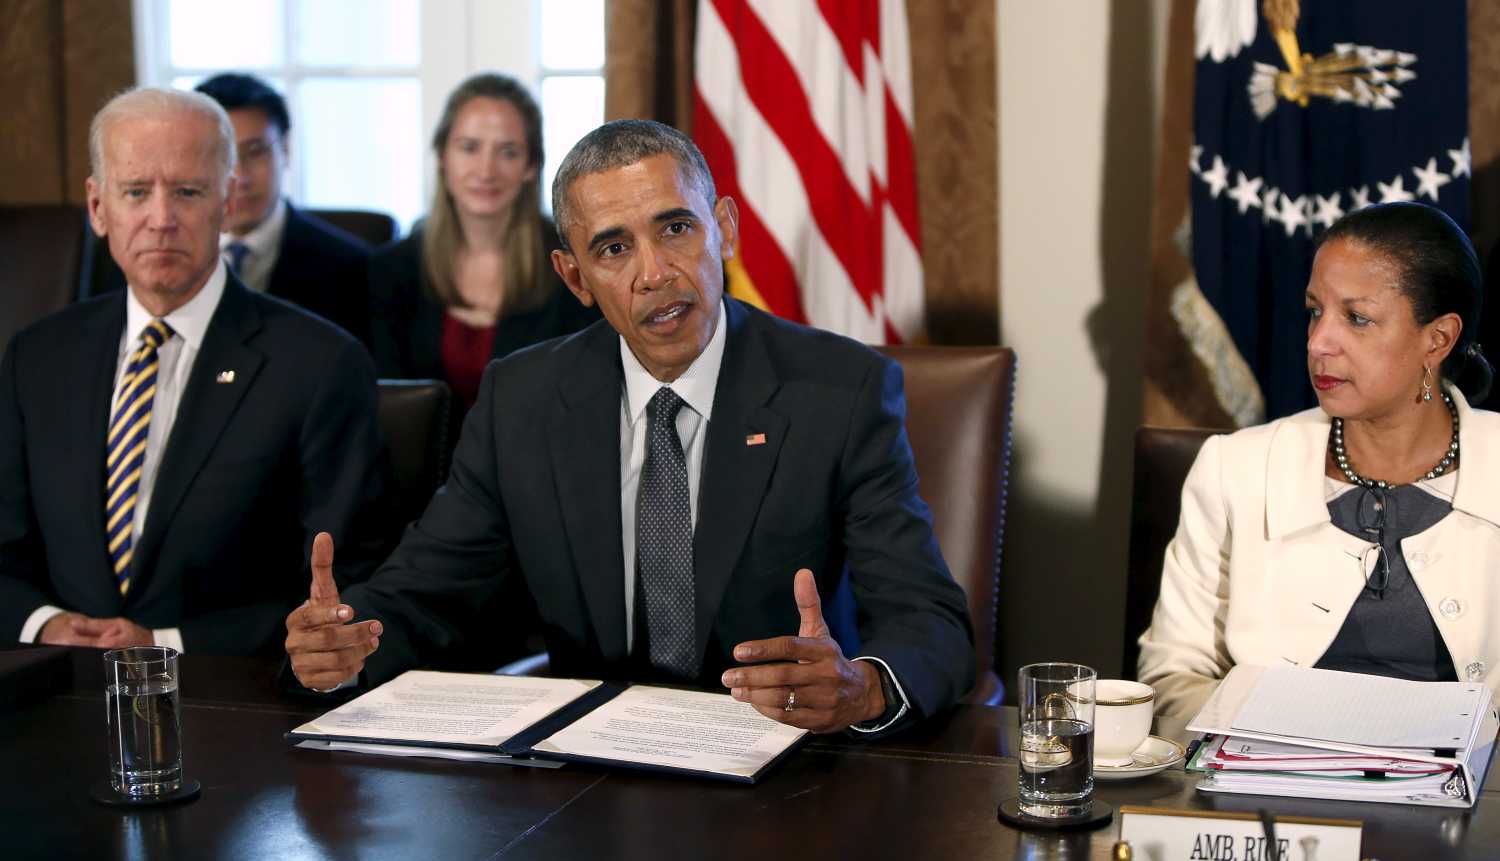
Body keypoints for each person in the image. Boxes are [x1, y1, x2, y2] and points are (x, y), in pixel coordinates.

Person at [286, 119, 975, 735]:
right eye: (614, 248)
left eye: (676, 229)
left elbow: (927, 618)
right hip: (590, 776)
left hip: (787, 763)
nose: (654, 273)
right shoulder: (523, 399)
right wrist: (344, 643)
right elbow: (426, 592)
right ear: (575, 277)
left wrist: (864, 687)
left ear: (724, 228)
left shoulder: (839, 390)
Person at [0, 87, 392, 656]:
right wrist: (45, 624)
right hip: (61, 686)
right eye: (136, 192)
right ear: (98, 207)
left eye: (187, 192)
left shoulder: (320, 364)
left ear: (226, 201)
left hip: (227, 690)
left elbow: (346, 582)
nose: (161, 220)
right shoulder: (37, 357)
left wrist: (163, 644)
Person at [1138, 202, 1499, 717]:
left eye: (1357, 318)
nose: (1318, 342)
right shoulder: (1235, 468)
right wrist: (1298, 735)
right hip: (1265, 768)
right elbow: (1171, 678)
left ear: (1437, 339)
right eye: (1315, 312)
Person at [86, 74, 375, 345]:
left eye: (255, 152)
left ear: (286, 149)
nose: (241, 175)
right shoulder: (129, 256)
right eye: (225, 158)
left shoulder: (353, 267)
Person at [369, 73, 598, 413]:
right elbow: (389, 407)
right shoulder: (391, 270)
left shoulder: (573, 267)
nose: (486, 170)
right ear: (442, 156)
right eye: (469, 148)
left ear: (531, 166)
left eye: (508, 152)